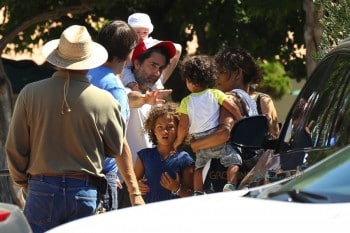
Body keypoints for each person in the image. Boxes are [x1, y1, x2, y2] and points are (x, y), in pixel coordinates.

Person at [5, 25, 144, 233]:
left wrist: (25, 183)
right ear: (90, 61)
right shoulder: (105, 100)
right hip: (85, 189)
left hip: (41, 187)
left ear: (57, 59)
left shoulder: (29, 93)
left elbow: (15, 148)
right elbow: (115, 148)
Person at [190, 47, 261, 191]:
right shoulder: (251, 102)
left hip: (222, 180)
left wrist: (194, 145)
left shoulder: (230, 98)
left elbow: (223, 134)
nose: (216, 78)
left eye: (221, 72)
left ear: (237, 74)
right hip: (251, 176)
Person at [118, 38, 177, 208]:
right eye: (152, 65)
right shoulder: (123, 92)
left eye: (160, 68)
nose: (156, 72)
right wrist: (145, 99)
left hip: (150, 184)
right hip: (126, 184)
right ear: (136, 63)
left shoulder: (155, 98)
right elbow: (130, 99)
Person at [87, 20, 138, 212]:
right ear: (130, 51)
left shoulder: (81, 74)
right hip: (101, 177)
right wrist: (135, 192)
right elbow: (118, 142)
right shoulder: (114, 87)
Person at [173, 55, 243, 194]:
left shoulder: (186, 101)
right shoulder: (216, 93)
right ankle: (230, 184)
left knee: (199, 167)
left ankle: (198, 191)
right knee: (233, 160)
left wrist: (178, 141)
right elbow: (232, 106)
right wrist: (240, 118)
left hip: (199, 141)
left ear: (189, 80)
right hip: (217, 137)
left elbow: (183, 126)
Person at [134, 103, 194, 203]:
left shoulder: (184, 158)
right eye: (159, 127)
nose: (164, 131)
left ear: (178, 129)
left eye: (170, 127)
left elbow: (192, 194)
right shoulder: (144, 156)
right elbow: (132, 183)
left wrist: (177, 188)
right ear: (153, 131)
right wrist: (137, 186)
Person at [122, 12, 182, 91]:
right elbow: (125, 69)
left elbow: (178, 48)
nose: (141, 36)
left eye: (145, 32)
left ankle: (156, 89)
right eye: (137, 32)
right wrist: (132, 84)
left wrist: (155, 44)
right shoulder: (127, 47)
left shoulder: (150, 43)